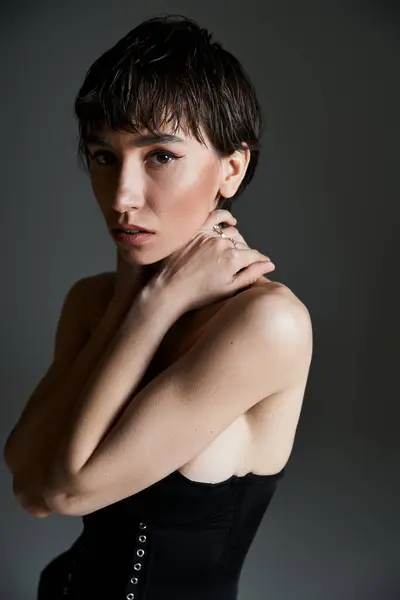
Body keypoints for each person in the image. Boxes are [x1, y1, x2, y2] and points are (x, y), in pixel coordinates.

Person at [4, 14, 313, 600]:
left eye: (160, 156)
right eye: (102, 156)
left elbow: (70, 490)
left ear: (232, 168)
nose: (122, 196)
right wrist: (142, 300)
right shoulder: (93, 300)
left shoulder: (266, 323)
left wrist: (154, 303)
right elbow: (27, 484)